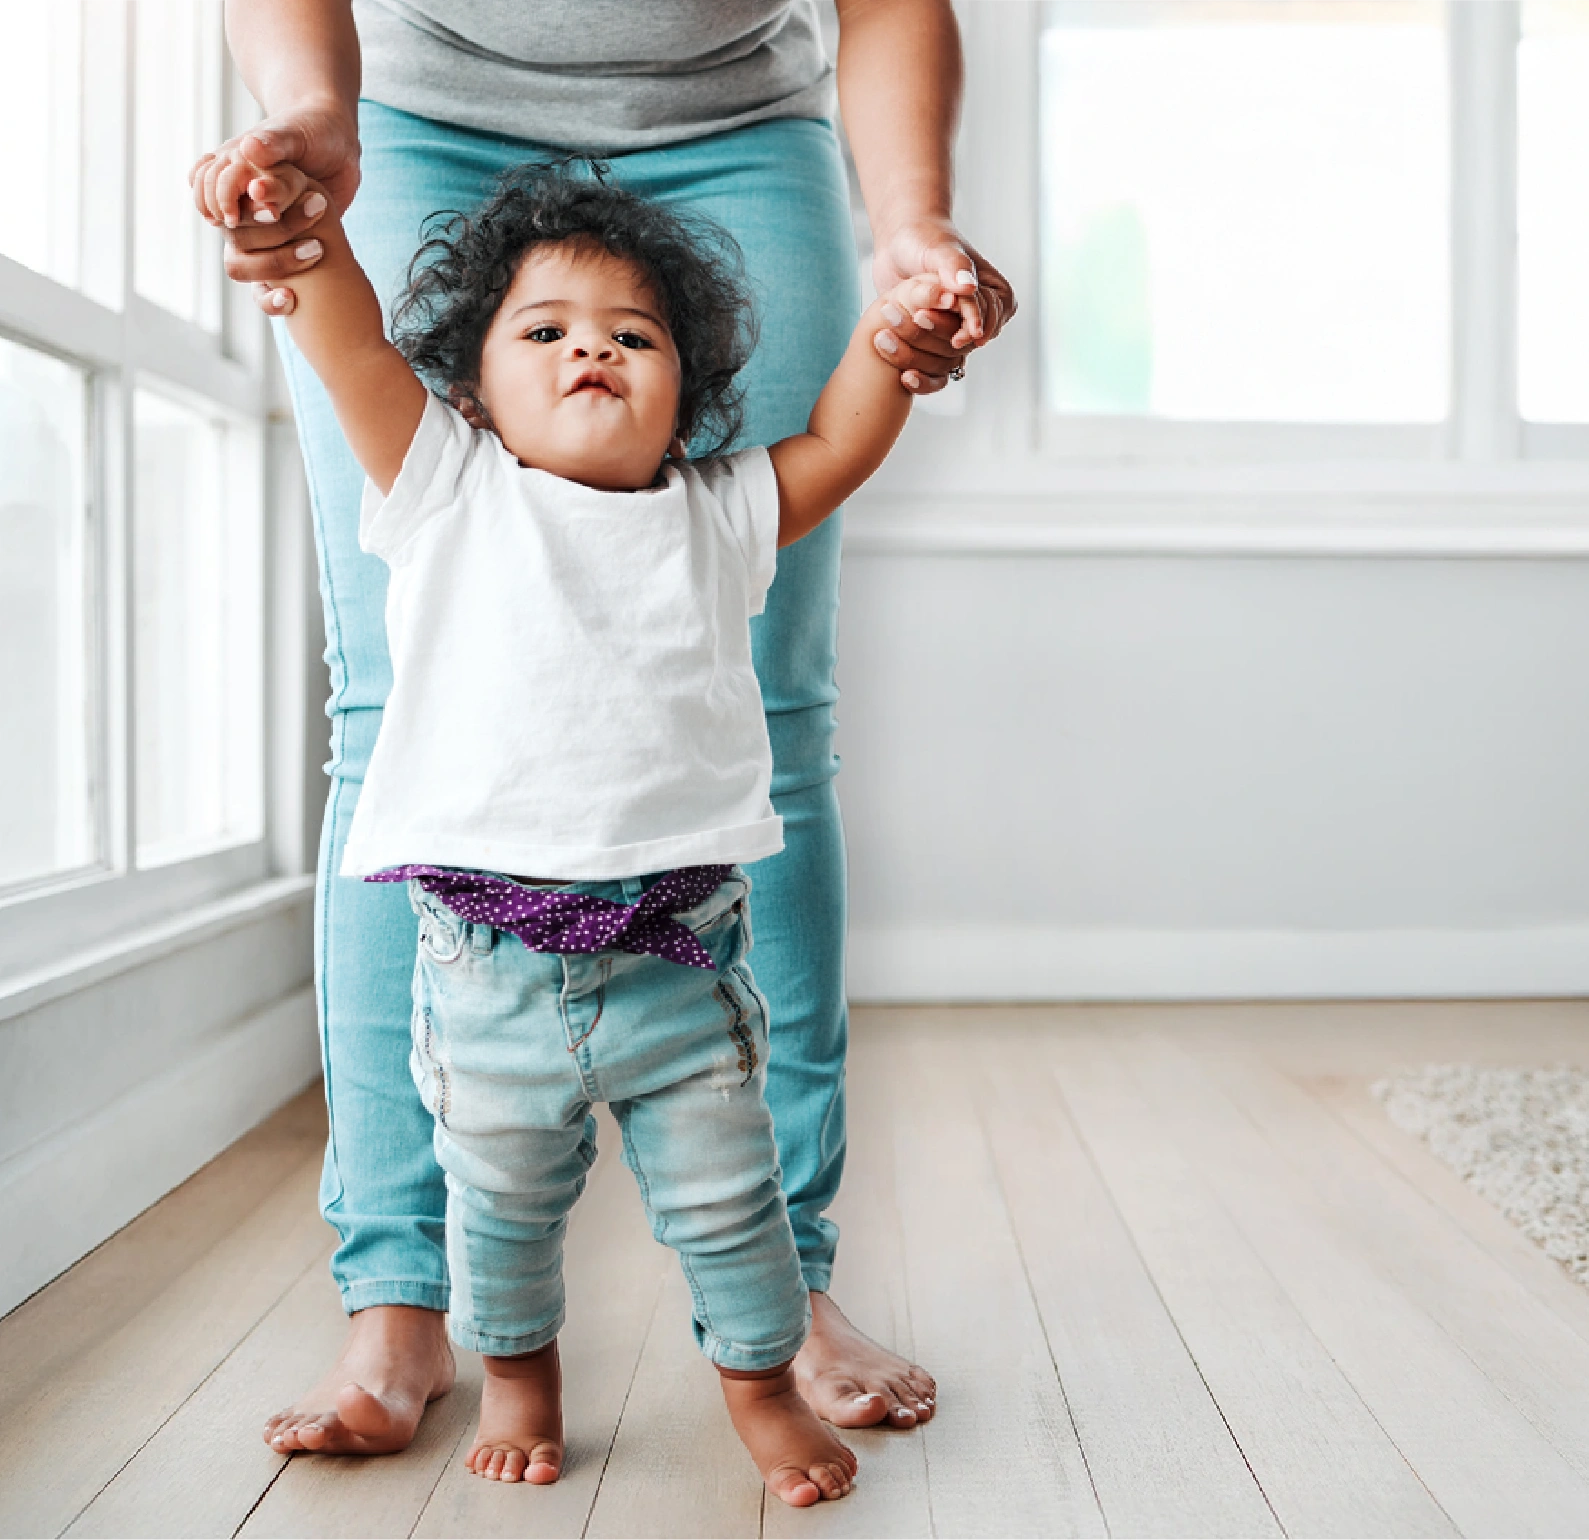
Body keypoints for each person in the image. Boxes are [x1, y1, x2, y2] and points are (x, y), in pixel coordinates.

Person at [194, 0, 1015, 1456]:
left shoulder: (722, 503)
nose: (593, 356)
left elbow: (828, 440)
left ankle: (787, 1288)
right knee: (390, 701)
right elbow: (355, 358)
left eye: (633, 341)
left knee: (781, 712)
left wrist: (909, 254)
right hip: (420, 110)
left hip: (737, 130)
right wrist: (311, 153)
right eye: (558, 339)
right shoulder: (442, 472)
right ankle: (399, 1294)